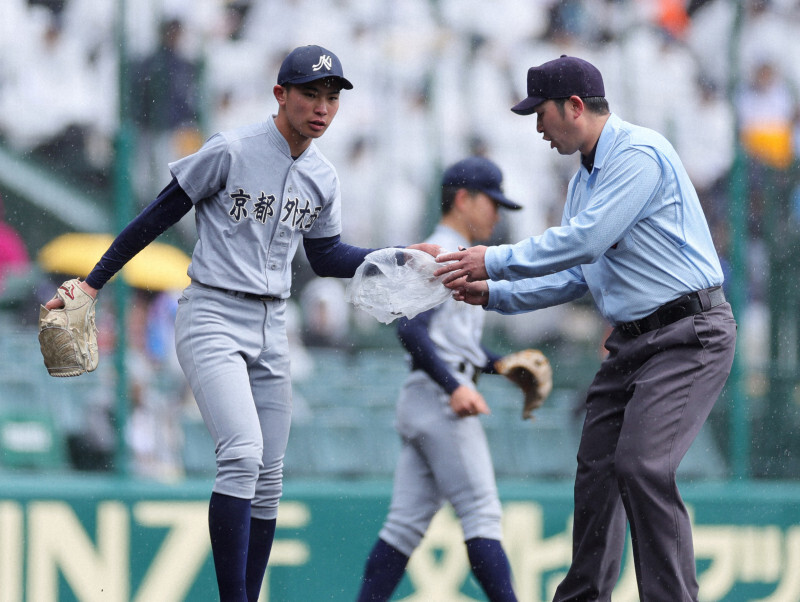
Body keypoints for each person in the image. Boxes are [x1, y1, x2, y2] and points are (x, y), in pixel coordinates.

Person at [45, 45, 436, 602]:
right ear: (280, 94)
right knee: (242, 455)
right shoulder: (231, 150)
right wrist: (92, 283)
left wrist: (395, 254)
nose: (322, 107)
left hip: (275, 323)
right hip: (213, 313)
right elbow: (156, 216)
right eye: (310, 93)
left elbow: (325, 259)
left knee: (270, 480)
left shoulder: (323, 176)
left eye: (331, 97)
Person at [434, 56, 737, 601]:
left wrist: (494, 260)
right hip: (632, 342)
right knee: (597, 472)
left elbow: (587, 241)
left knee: (642, 465)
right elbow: (579, 275)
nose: (537, 126)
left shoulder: (638, 153)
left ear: (575, 107)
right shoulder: (583, 183)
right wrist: (496, 293)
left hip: (689, 334)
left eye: (541, 112)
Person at [356, 157, 522, 602]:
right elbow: (411, 330)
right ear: (464, 199)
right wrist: (456, 388)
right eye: (492, 202)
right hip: (440, 401)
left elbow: (456, 343)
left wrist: (507, 367)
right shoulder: (441, 251)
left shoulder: (454, 251)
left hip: (426, 399)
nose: (498, 214)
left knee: (403, 527)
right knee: (482, 515)